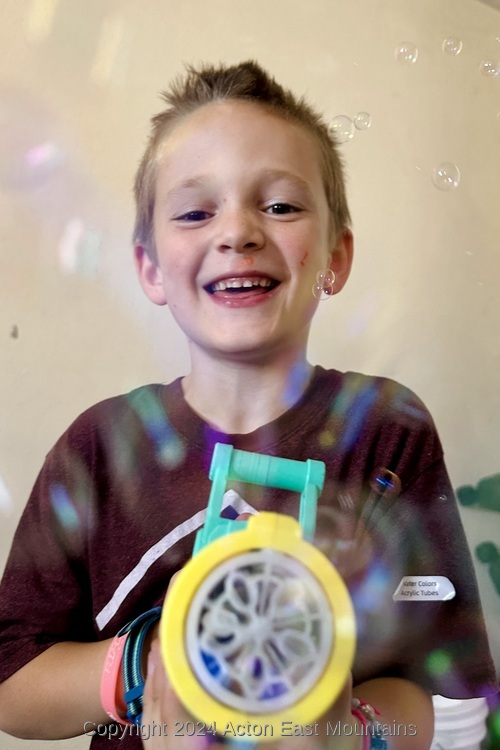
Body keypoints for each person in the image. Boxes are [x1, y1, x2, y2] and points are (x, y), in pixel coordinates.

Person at [0, 61, 496, 750]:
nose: (236, 231)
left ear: (335, 255)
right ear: (149, 266)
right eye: (196, 211)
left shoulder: (387, 429)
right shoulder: (98, 446)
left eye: (281, 206)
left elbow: (447, 692)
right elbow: (11, 684)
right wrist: (146, 666)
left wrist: (352, 732)